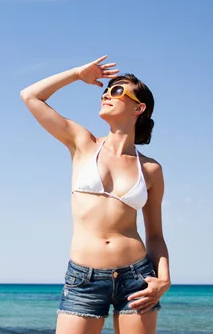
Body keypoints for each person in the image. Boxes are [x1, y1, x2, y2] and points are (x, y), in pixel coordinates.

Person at [20, 55, 171, 334]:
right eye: (105, 90)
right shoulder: (83, 143)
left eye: (116, 90)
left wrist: (164, 279)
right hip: (84, 278)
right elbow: (30, 96)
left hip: (137, 277)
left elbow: (155, 236)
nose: (106, 94)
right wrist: (78, 74)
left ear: (139, 107)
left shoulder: (150, 169)